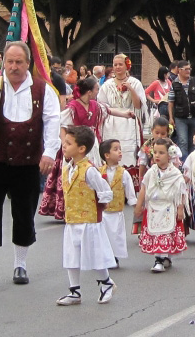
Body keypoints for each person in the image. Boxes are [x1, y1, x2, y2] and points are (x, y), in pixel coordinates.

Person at [0, 41, 61, 288]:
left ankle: (20, 266)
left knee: (23, 213)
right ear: (3, 62)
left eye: (19, 62)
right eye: (9, 61)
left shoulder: (43, 90)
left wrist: (49, 153)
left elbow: (53, 122)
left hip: (29, 160)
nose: (13, 66)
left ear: (28, 63)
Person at [39, 77, 134, 220]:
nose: (97, 91)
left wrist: (125, 114)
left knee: (92, 174)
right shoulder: (73, 107)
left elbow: (109, 110)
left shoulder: (95, 105)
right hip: (75, 143)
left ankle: (92, 205)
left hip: (92, 145)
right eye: (96, 89)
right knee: (73, 176)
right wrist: (66, 144)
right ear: (89, 92)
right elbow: (62, 125)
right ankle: (71, 209)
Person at [55, 126, 116, 305]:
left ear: (81, 148)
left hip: (89, 221)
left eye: (68, 143)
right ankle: (75, 291)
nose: (64, 146)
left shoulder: (89, 170)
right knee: (71, 255)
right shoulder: (67, 167)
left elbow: (105, 191)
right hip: (72, 220)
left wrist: (98, 207)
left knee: (95, 254)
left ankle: (106, 283)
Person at [135, 138, 188, 273]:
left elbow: (181, 191)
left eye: (161, 153)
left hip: (168, 207)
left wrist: (180, 209)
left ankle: (164, 257)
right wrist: (139, 204)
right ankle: (159, 258)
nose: (157, 155)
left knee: (167, 232)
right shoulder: (151, 171)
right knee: (157, 232)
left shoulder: (175, 173)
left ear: (169, 155)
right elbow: (144, 188)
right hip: (153, 207)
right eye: (155, 152)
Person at [97, 54, 146, 177]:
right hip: (111, 123)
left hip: (129, 121)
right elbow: (102, 105)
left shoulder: (135, 83)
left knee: (127, 153)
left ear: (127, 66)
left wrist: (131, 89)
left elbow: (138, 106)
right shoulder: (107, 85)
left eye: (120, 64)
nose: (117, 67)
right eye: (115, 64)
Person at [99, 139, 137, 268]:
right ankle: (104, 256)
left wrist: (135, 205)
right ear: (107, 155)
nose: (120, 151)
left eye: (120, 149)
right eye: (115, 149)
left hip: (116, 211)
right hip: (102, 211)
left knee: (115, 235)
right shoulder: (99, 172)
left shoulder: (124, 173)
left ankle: (114, 257)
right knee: (102, 234)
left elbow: (129, 191)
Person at [168, 60, 195, 161]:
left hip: (194, 116)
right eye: (186, 69)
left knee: (194, 141)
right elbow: (171, 102)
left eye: (189, 69)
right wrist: (171, 117)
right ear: (179, 70)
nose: (188, 71)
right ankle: (184, 164)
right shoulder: (174, 84)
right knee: (183, 141)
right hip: (180, 117)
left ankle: (193, 162)